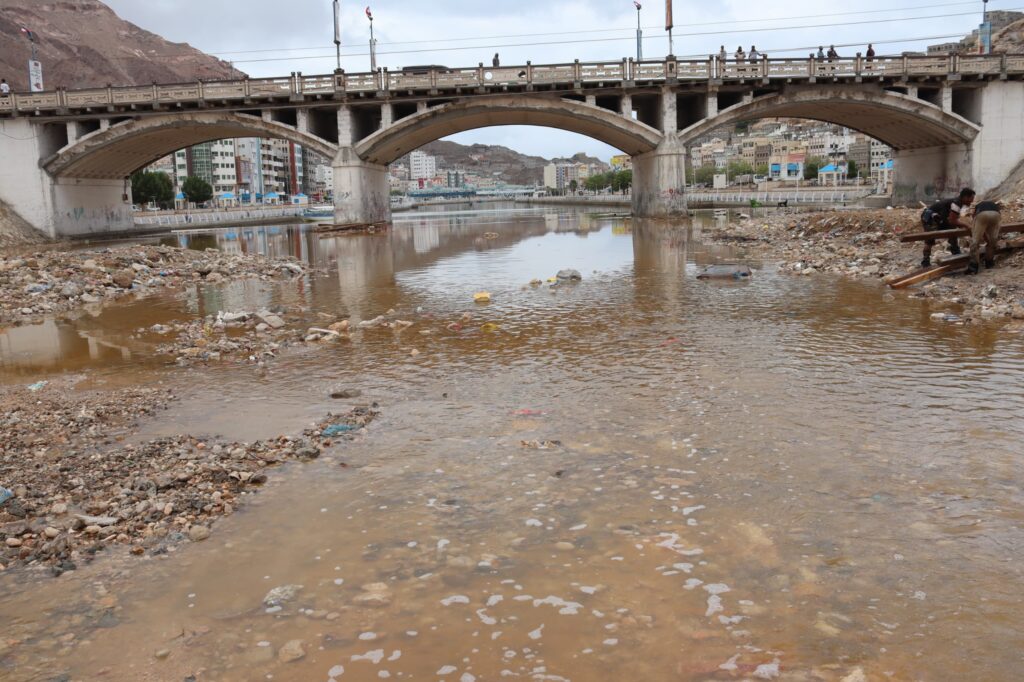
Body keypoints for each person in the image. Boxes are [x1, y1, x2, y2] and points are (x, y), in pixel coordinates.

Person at [920, 187, 975, 267]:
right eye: (971, 199)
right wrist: (967, 226)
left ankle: (956, 254)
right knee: (930, 239)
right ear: (965, 197)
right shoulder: (956, 203)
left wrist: (961, 226)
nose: (972, 201)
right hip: (930, 219)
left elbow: (952, 220)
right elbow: (952, 220)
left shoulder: (957, 203)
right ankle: (925, 261)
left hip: (940, 219)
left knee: (953, 232)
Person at [967, 199, 1001, 274]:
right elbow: (986, 231)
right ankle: (989, 263)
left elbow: (977, 223)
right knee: (992, 241)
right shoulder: (993, 205)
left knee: (975, 242)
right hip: (996, 214)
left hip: (982, 214)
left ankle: (973, 267)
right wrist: (987, 239)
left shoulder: (978, 207)